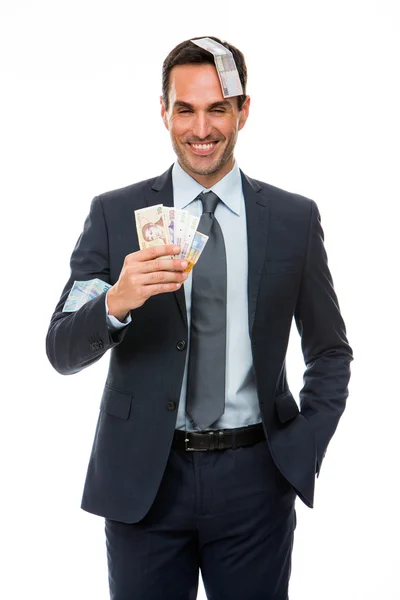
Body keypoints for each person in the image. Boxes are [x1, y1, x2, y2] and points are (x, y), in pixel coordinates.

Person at [46, 35, 353, 600]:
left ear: (243, 110)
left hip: (256, 481)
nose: (201, 128)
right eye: (185, 109)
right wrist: (117, 301)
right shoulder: (114, 215)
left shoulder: (292, 219)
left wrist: (303, 447)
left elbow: (331, 351)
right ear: (163, 111)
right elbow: (61, 349)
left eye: (218, 108)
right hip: (145, 481)